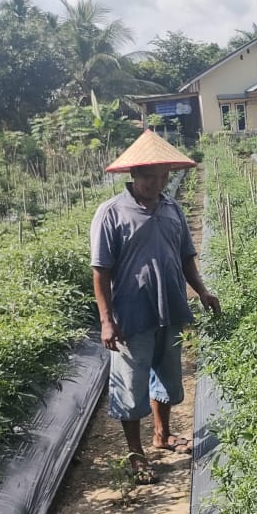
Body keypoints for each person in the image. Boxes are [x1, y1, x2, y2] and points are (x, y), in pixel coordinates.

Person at [91, 130, 221, 484]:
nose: (158, 182)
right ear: (134, 175)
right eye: (150, 176)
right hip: (132, 316)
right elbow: (100, 273)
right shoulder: (111, 214)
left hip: (171, 309)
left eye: (163, 176)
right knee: (130, 386)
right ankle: (136, 456)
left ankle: (161, 435)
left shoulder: (172, 208)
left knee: (166, 378)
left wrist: (203, 292)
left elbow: (185, 259)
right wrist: (106, 320)